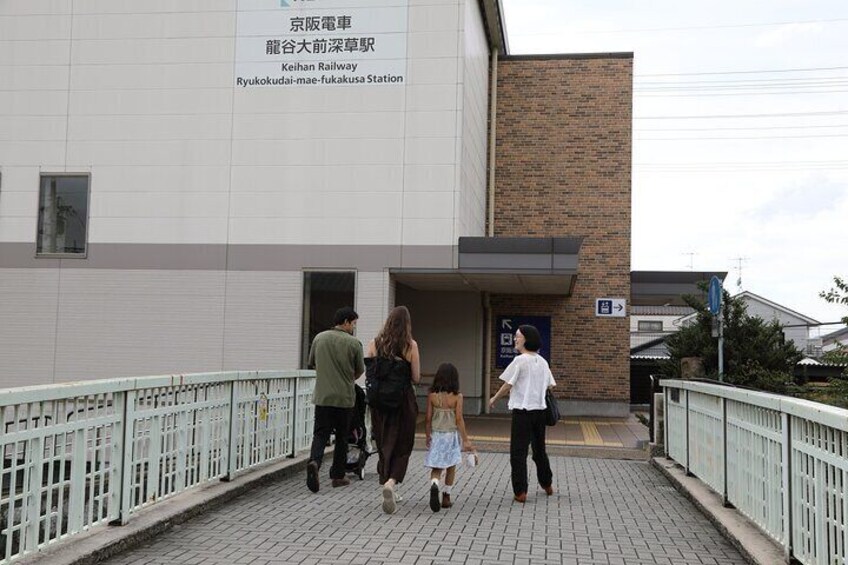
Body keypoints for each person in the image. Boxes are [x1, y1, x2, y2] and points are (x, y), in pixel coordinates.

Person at [488, 324, 556, 503]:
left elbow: (508, 384)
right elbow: (549, 385)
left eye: (517, 336)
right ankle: (547, 483)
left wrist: (494, 398)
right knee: (539, 450)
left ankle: (521, 492)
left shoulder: (520, 360)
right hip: (540, 412)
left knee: (518, 452)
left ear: (525, 339)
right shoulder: (542, 361)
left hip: (522, 412)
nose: (515, 339)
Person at [365, 305, 421, 514]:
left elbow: (370, 374)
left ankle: (386, 482)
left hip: (380, 404)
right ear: (406, 324)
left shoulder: (374, 344)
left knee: (384, 441)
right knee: (403, 444)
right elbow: (415, 377)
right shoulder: (410, 345)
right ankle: (392, 482)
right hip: (403, 401)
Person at [305, 307, 365, 493]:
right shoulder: (354, 343)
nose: (353, 328)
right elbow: (360, 369)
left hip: (322, 396)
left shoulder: (319, 338)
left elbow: (312, 363)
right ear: (346, 322)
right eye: (353, 324)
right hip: (344, 398)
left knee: (320, 433)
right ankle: (338, 476)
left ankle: (315, 461)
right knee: (341, 437)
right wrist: (347, 380)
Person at [424, 362, 475, 512]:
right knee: (451, 466)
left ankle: (434, 484)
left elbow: (428, 418)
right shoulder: (457, 397)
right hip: (451, 435)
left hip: (437, 434)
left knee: (436, 467)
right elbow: (459, 419)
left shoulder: (432, 396)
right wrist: (465, 439)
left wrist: (428, 435)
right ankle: (446, 496)